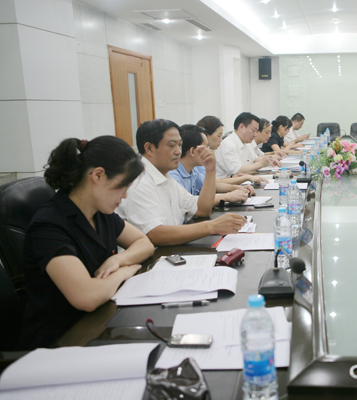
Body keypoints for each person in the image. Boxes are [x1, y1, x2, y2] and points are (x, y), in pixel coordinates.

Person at [21, 136, 155, 349]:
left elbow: (144, 242)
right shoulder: (49, 225)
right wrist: (123, 273)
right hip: (61, 341)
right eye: (122, 186)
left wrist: (118, 260)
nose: (125, 196)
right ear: (98, 175)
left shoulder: (100, 212)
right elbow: (87, 297)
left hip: (99, 322)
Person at [116, 119, 246, 246]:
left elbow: (202, 209)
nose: (178, 151)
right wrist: (212, 226)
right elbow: (155, 234)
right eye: (172, 145)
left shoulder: (165, 178)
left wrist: (210, 170)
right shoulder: (139, 182)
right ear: (149, 148)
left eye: (179, 145)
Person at [169, 124, 253, 204]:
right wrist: (227, 196)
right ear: (192, 151)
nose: (209, 151)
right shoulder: (173, 175)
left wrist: (238, 188)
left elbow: (212, 186)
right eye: (206, 147)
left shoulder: (193, 171)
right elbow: (188, 203)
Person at [197, 116, 268, 185]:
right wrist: (246, 177)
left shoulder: (246, 143)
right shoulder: (228, 144)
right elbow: (216, 182)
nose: (221, 140)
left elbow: (216, 181)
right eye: (219, 136)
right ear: (205, 135)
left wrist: (234, 178)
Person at [215, 112, 277, 178]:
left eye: (256, 131)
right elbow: (237, 170)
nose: (255, 134)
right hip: (227, 183)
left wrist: (269, 160)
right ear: (241, 127)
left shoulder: (246, 143)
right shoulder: (229, 144)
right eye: (253, 130)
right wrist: (261, 164)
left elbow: (254, 159)